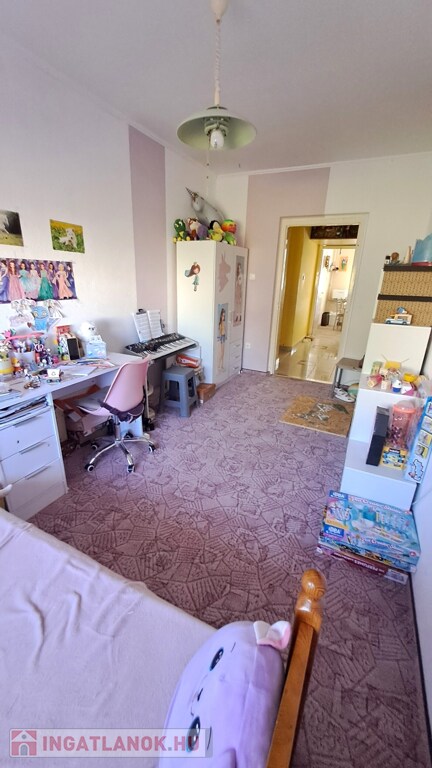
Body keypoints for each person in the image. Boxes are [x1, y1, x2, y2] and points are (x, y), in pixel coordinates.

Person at [217, 307, 226, 372]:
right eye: (222, 316)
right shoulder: (220, 324)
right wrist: (219, 339)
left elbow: (224, 331)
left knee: (223, 352)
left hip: (224, 336)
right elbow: (220, 332)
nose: (223, 317)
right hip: (221, 337)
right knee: (221, 353)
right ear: (221, 316)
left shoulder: (223, 323)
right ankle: (218, 365)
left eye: (224, 316)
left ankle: (222, 365)